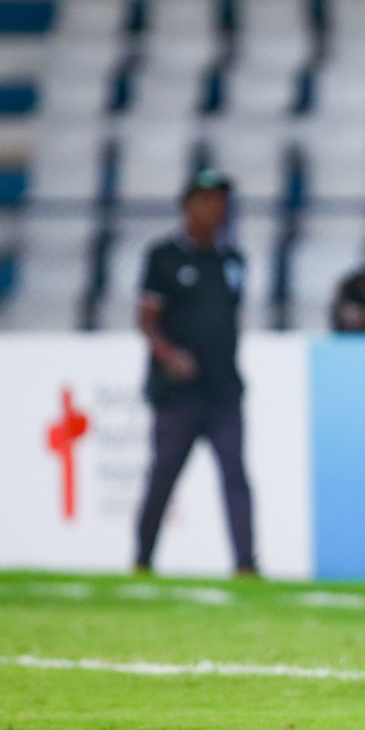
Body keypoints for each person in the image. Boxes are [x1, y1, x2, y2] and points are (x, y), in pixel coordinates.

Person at [132, 169, 257, 577]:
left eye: (221, 201)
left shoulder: (233, 260)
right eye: (207, 200)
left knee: (235, 476)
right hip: (178, 392)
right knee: (163, 476)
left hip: (223, 390)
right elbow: (147, 318)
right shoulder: (164, 257)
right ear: (188, 206)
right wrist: (169, 356)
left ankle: (245, 563)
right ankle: (142, 559)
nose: (216, 209)